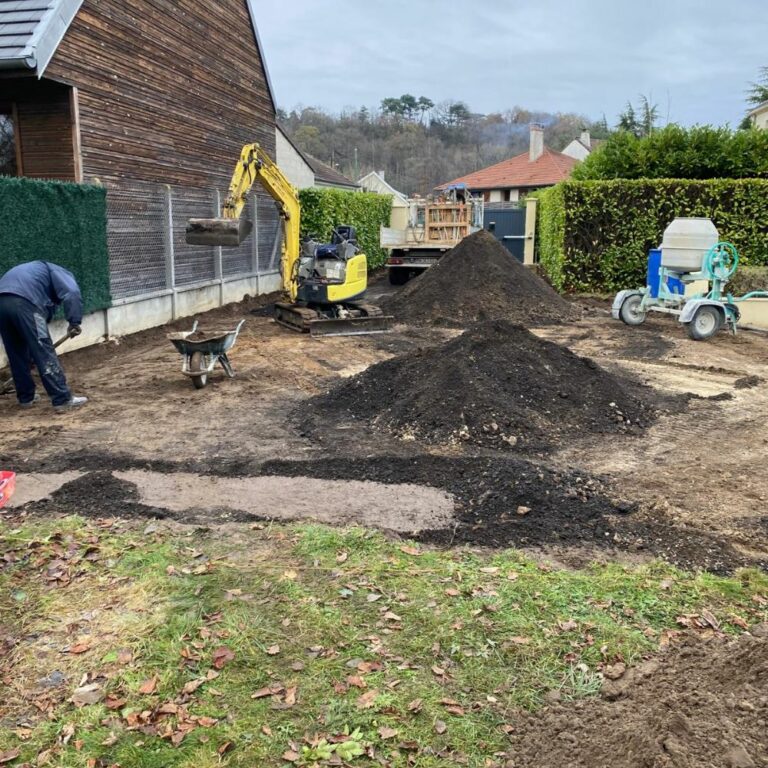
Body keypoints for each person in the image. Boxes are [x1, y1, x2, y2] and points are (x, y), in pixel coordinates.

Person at [0, 261, 88, 410]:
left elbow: (39, 320)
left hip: (2, 303)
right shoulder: (60, 273)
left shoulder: (36, 274)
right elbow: (72, 293)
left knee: (16, 353)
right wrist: (74, 322)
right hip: (25, 302)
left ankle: (26, 398)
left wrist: (32, 352)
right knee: (44, 351)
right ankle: (62, 399)